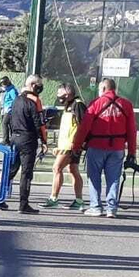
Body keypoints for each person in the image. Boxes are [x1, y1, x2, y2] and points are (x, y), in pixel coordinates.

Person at [71, 77, 139, 218]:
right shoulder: (126, 105)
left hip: (96, 146)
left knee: (94, 177)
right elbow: (132, 130)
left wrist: (76, 145)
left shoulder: (96, 103)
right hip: (117, 148)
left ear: (103, 89)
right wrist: (132, 152)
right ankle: (111, 208)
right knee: (114, 178)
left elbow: (84, 128)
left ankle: (96, 206)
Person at [0, 74, 48, 215]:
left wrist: (9, 137)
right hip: (28, 139)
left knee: (11, 170)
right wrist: (44, 141)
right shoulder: (35, 100)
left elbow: (7, 120)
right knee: (26, 173)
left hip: (15, 138)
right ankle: (23, 204)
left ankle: (0, 198)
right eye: (39, 85)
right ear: (32, 85)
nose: (40, 88)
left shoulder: (17, 99)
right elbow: (40, 123)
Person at [43, 82, 87, 210]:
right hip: (66, 145)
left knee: (56, 168)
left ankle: (53, 198)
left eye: (60, 93)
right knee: (73, 170)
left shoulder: (78, 105)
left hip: (71, 145)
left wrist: (78, 144)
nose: (58, 96)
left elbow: (82, 126)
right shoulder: (68, 106)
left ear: (67, 94)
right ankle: (79, 201)